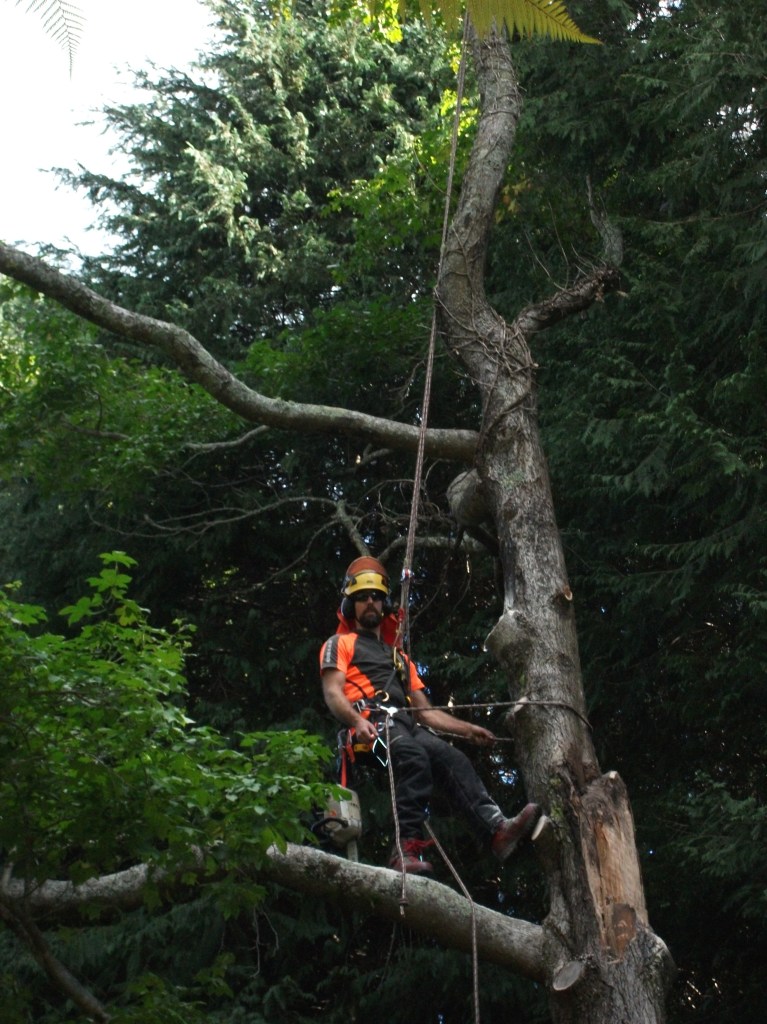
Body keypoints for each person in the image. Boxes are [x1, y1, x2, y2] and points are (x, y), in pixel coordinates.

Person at [319, 556, 540, 875]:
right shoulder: (339, 643)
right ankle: (403, 849)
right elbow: (332, 692)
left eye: (376, 597)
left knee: (452, 759)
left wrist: (466, 729)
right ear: (350, 604)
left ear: (384, 604)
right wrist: (357, 722)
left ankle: (495, 832)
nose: (370, 602)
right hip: (369, 738)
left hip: (405, 726)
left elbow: (425, 712)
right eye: (363, 597)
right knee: (411, 757)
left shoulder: (399, 658)